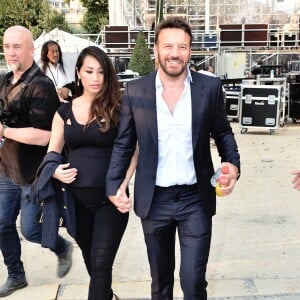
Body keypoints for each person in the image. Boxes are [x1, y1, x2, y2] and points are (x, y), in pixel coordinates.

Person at [106, 17, 240, 299]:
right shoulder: (136, 90)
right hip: (154, 201)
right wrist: (114, 184)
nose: (175, 53)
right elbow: (124, 143)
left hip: (196, 200)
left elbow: (223, 133)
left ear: (190, 51)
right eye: (168, 46)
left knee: (192, 282)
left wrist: (234, 166)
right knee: (161, 283)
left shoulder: (209, 88)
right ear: (156, 49)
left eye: (182, 46)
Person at [46, 45, 137, 300]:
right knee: (93, 265)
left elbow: (133, 150)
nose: (95, 78)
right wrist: (54, 171)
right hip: (75, 204)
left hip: (110, 201)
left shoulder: (119, 108)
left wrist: (123, 184)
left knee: (100, 265)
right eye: (89, 71)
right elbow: (52, 151)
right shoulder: (63, 112)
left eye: (101, 72)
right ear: (78, 73)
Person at [0, 25, 73, 297]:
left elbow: (45, 137)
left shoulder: (41, 86)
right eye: (7, 46)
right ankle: (16, 275)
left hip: (34, 172)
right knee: (1, 224)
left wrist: (5, 131)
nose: (11, 52)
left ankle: (60, 246)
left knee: (30, 230)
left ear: (32, 49)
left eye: (17, 46)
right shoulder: (5, 81)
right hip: (6, 169)